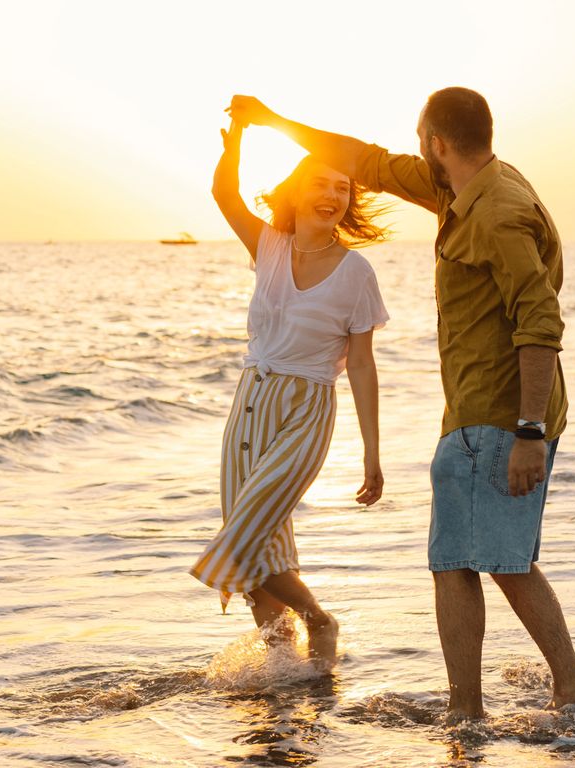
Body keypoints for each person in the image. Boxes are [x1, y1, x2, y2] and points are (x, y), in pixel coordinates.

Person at [226, 89, 575, 718]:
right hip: (477, 414)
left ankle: (510, 702)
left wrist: (529, 431)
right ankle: (514, 700)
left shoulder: (499, 211)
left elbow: (539, 318)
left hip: (501, 415)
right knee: (478, 561)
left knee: (477, 562)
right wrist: (273, 122)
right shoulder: (460, 187)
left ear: (435, 140)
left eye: (421, 141)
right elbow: (364, 161)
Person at [189, 113, 389, 673]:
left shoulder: (356, 273)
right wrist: (236, 143)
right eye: (321, 183)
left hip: (306, 409)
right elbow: (223, 194)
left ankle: (318, 619)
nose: (332, 195)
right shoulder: (268, 246)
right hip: (249, 404)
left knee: (245, 531)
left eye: (342, 187)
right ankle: (284, 668)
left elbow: (364, 367)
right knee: (262, 544)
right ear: (297, 191)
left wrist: (373, 452)